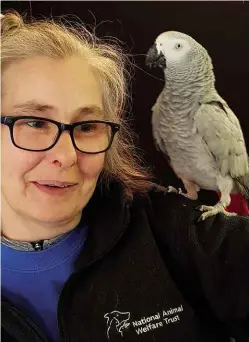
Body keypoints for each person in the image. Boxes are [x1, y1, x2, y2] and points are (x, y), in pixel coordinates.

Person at [1, 10, 249, 342]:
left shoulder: (174, 234)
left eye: (87, 126)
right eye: (34, 122)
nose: (66, 156)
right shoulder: (164, 113)